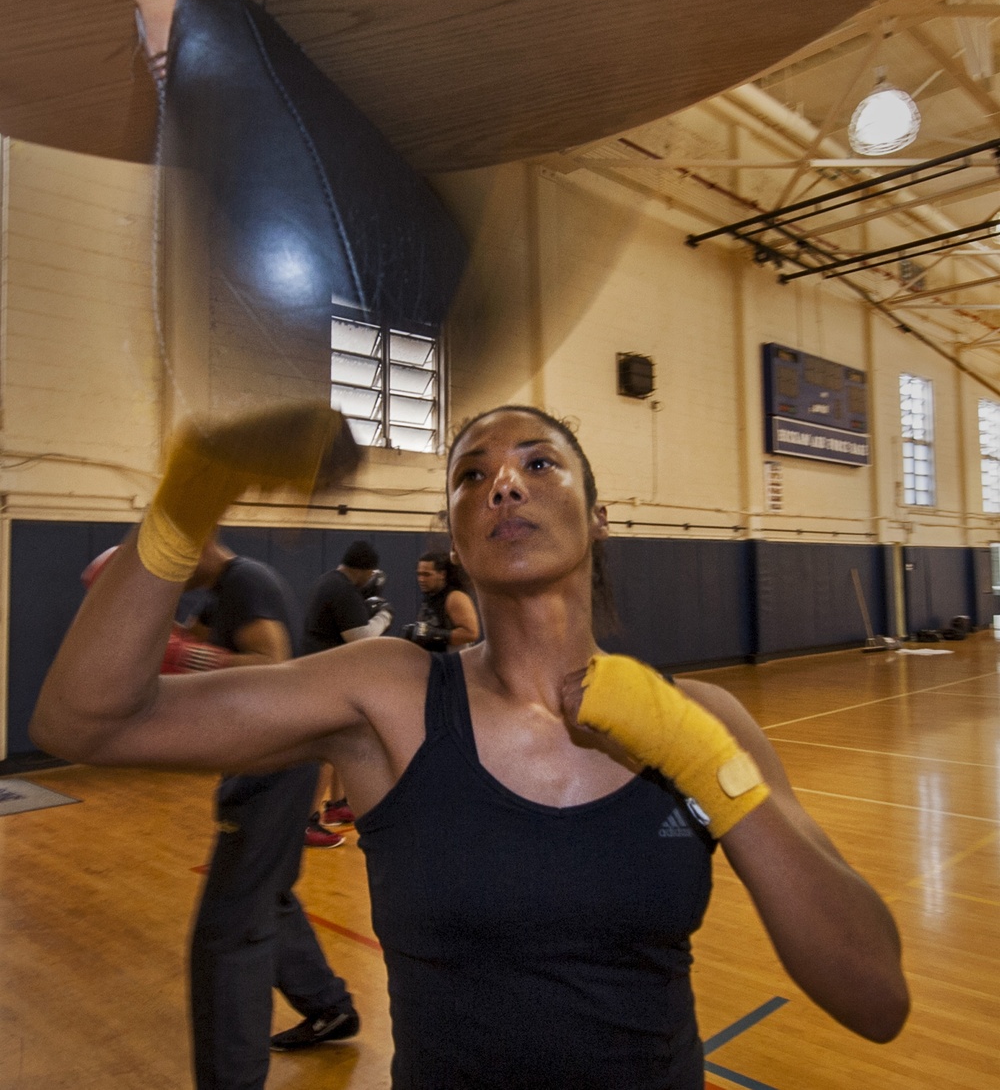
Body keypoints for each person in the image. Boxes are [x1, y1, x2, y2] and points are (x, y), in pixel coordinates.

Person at [32, 400, 910, 1090]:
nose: (505, 484)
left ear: (598, 516)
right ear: (454, 533)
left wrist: (700, 756)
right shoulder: (388, 694)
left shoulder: (703, 719)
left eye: (539, 462)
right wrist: (190, 494)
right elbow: (84, 721)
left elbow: (875, 996)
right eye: (472, 474)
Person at [182, 533, 359, 1086]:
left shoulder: (247, 580)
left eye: (171, 556)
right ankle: (329, 1005)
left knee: (229, 929)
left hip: (276, 768)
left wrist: (185, 654)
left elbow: (270, 661)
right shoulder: (220, 594)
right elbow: (188, 648)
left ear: (199, 542)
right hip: (265, 762)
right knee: (267, 896)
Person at [301, 539, 394, 841]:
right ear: (366, 571)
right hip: (325, 678)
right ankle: (308, 820)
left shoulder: (330, 581)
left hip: (322, 674)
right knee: (328, 749)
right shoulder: (343, 590)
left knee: (342, 741)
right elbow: (362, 639)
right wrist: (384, 616)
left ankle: (337, 805)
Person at [402, 550, 480, 651]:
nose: (421, 579)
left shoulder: (455, 597)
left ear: (442, 574)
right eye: (419, 574)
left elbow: (471, 634)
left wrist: (435, 635)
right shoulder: (431, 596)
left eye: (427, 575)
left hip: (454, 662)